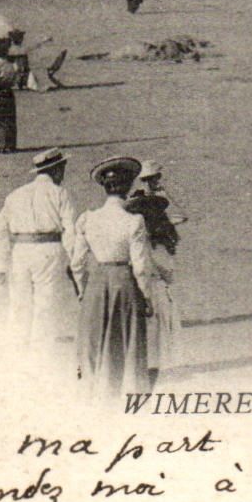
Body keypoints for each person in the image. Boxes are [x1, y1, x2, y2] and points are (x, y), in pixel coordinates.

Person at [0, 148, 80, 376]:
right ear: (57, 169)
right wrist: (74, 262)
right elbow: (70, 230)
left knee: (19, 305)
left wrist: (0, 265)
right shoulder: (60, 193)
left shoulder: (15, 195)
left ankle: (15, 360)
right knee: (45, 307)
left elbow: (0, 231)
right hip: (49, 252)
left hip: (21, 252)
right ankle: (41, 364)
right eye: (62, 169)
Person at [72, 156, 155, 397]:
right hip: (124, 281)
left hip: (97, 282)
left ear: (105, 188)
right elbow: (140, 265)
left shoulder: (87, 219)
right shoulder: (134, 221)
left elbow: (77, 263)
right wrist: (146, 295)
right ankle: (129, 390)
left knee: (94, 336)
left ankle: (94, 390)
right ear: (128, 188)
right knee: (126, 336)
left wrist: (82, 289)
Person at [126, 161, 181, 378]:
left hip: (136, 287)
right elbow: (169, 271)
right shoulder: (157, 244)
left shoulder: (135, 236)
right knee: (156, 337)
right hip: (155, 289)